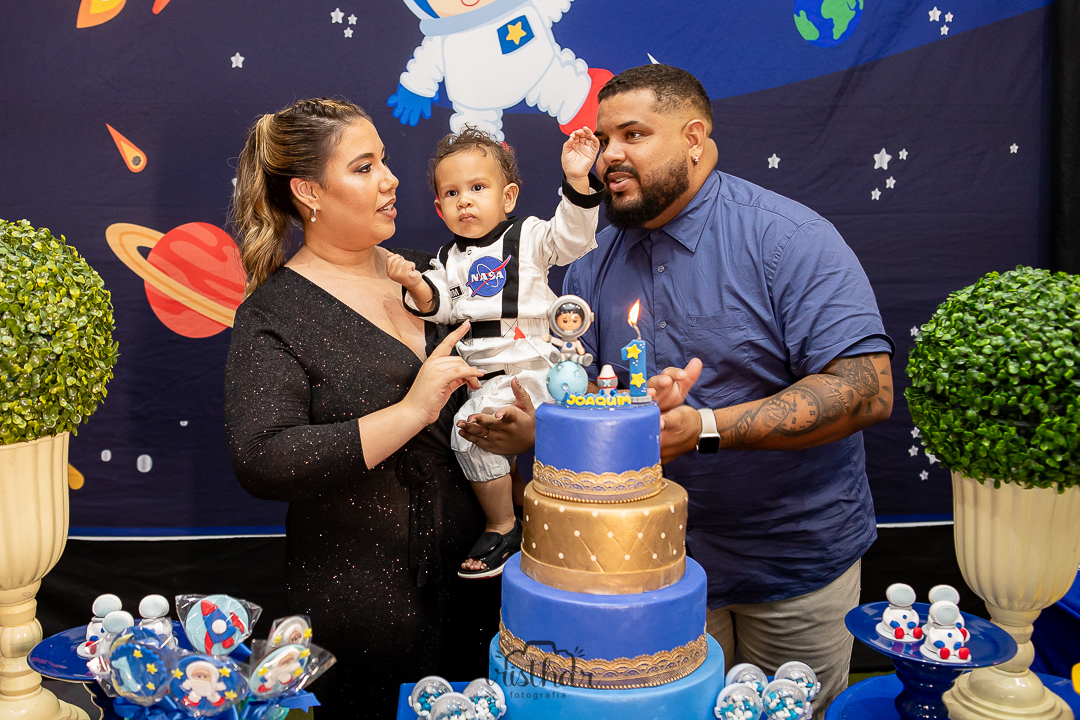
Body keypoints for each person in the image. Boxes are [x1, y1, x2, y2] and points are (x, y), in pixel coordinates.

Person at [460, 65, 895, 713]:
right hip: (645, 577)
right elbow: (592, 400)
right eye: (603, 139)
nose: (609, 156)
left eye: (633, 135)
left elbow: (866, 389)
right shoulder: (590, 257)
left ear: (693, 138)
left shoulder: (787, 239)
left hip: (792, 567)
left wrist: (706, 428)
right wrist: (542, 431)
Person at [224, 97, 498, 717]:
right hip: (362, 603)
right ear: (309, 193)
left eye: (385, 161)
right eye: (364, 167)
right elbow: (262, 458)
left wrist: (515, 427)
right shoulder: (275, 312)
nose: (390, 179)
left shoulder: (430, 276)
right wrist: (411, 411)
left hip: (475, 579)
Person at [385, 125, 601, 578]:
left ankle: (518, 524)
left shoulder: (529, 236)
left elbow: (572, 239)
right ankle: (513, 515)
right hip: (485, 378)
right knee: (472, 431)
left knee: (548, 438)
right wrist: (413, 283)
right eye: (452, 193)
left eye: (478, 188)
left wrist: (577, 180)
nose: (464, 200)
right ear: (440, 208)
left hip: (538, 363)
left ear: (508, 197)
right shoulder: (448, 259)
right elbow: (439, 305)